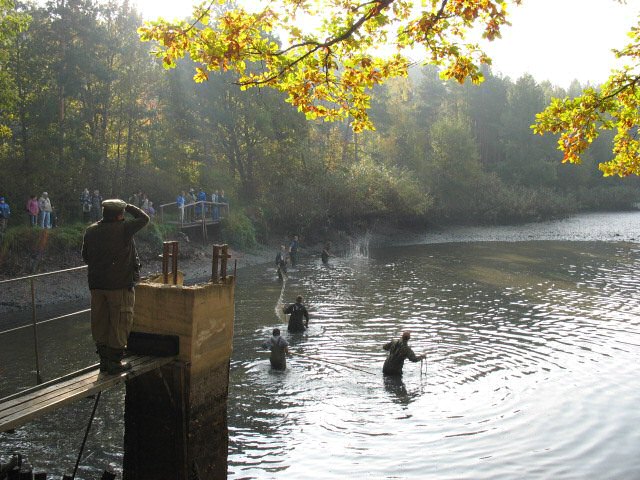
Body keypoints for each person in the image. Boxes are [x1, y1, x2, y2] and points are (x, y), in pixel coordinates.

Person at [81, 199, 149, 374]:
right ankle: (114, 363)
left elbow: (85, 257)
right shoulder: (124, 228)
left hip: (96, 285)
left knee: (100, 322)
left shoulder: (91, 230)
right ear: (120, 214)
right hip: (119, 286)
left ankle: (104, 361)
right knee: (120, 322)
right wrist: (129, 206)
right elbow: (144, 218)